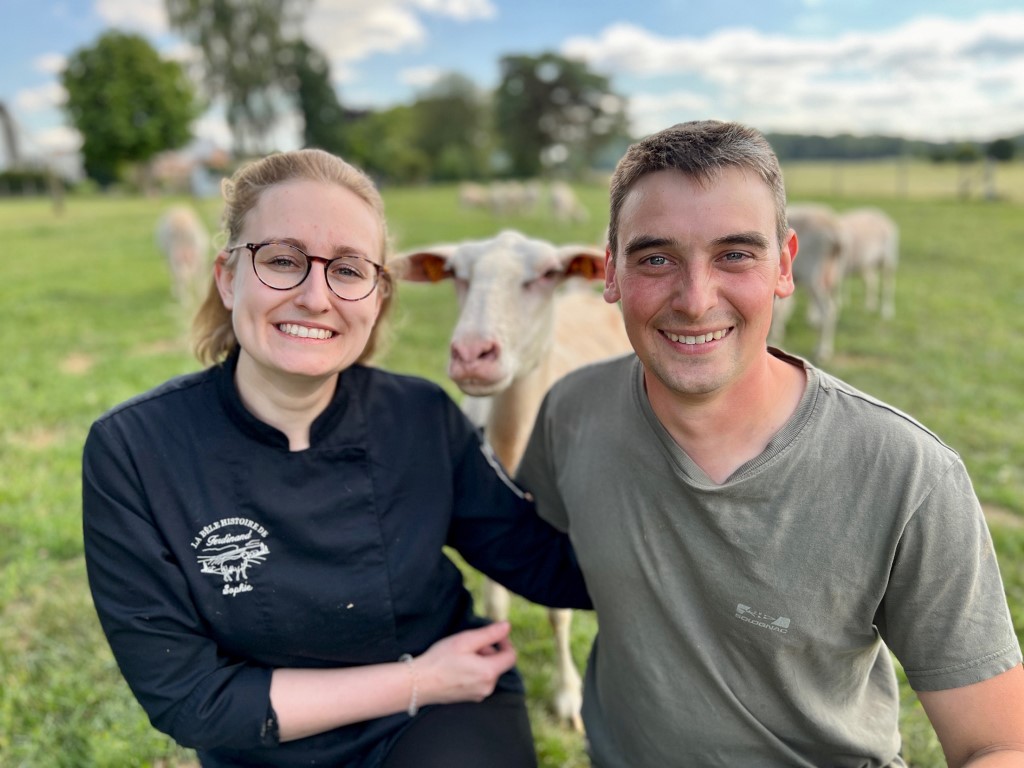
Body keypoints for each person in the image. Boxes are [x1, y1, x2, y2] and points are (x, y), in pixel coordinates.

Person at [515, 120, 1024, 767]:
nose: (696, 300)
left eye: (734, 254)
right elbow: (541, 553)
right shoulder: (573, 412)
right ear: (609, 270)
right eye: (655, 257)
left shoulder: (907, 475)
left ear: (785, 266)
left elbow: (1000, 744)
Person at [82, 148, 591, 768]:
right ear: (226, 277)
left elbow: (543, 563)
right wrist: (419, 680)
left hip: (447, 717)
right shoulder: (135, 452)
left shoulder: (421, 417)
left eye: (348, 271)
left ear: (376, 296)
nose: (315, 297)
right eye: (281, 261)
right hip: (273, 739)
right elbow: (191, 699)